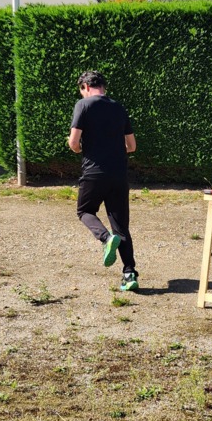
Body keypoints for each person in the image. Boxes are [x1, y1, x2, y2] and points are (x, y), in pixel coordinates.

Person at [68, 71, 139, 292]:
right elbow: (132, 146)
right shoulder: (119, 107)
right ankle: (129, 274)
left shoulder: (83, 105)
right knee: (121, 226)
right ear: (103, 87)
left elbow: (74, 142)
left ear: (86, 87)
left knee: (84, 211)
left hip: (94, 173)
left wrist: (79, 148)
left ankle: (106, 238)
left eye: (81, 90)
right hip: (119, 174)